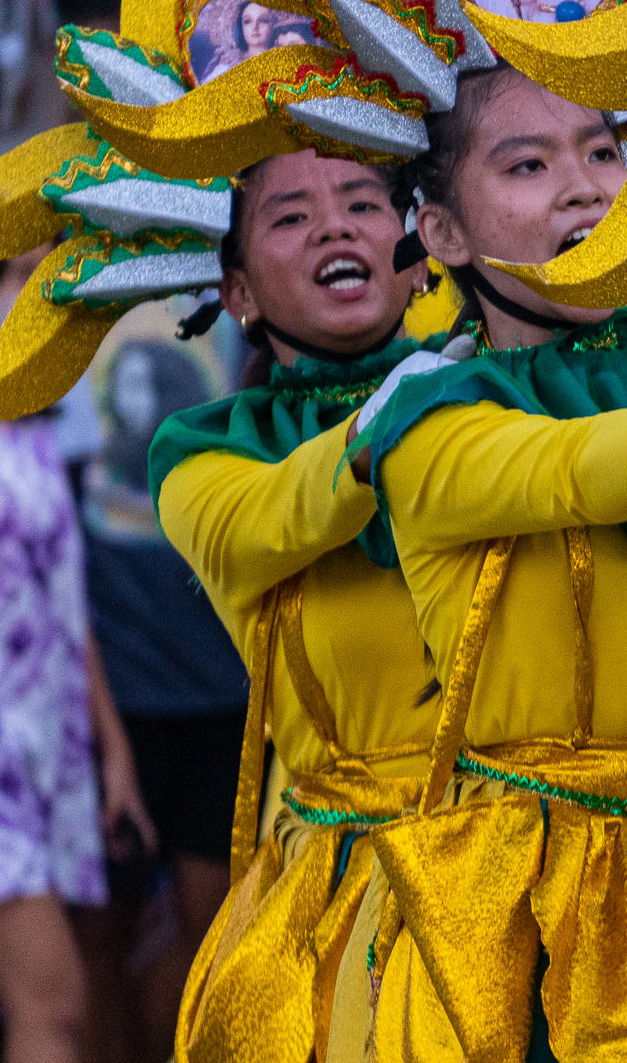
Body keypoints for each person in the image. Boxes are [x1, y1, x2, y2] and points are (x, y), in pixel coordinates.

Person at [347, 61, 627, 1057]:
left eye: (603, 151)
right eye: (528, 164)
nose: (584, 188)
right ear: (442, 233)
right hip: (526, 904)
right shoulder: (429, 427)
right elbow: (572, 469)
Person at [148, 150, 440, 1063]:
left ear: (424, 251)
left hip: (539, 845)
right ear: (236, 289)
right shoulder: (207, 453)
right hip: (353, 880)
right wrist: (408, 417)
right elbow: (276, 517)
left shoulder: (514, 390)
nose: (334, 226)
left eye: (363, 202)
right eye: (289, 217)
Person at [0, 72, 146, 1063]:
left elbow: (61, 603)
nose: (36, 291)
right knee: (56, 1001)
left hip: (38, 743)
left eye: (48, 269)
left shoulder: (31, 413)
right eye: (15, 271)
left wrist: (110, 752)